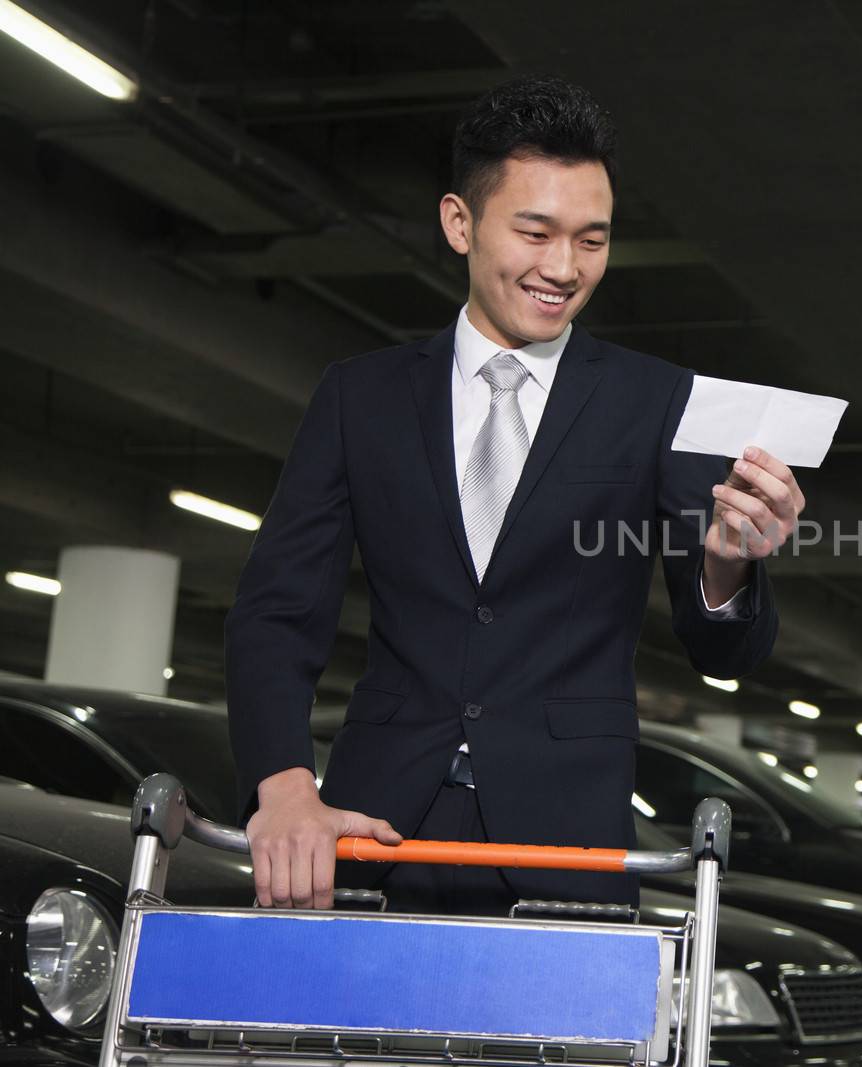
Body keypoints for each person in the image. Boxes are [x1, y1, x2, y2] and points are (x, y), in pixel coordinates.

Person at [225, 76, 798, 915]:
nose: (563, 269)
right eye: (535, 232)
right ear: (460, 222)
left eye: (591, 240)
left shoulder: (660, 402)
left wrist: (728, 567)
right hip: (373, 831)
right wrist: (282, 788)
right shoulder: (360, 397)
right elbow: (276, 611)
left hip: (569, 848)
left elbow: (726, 652)